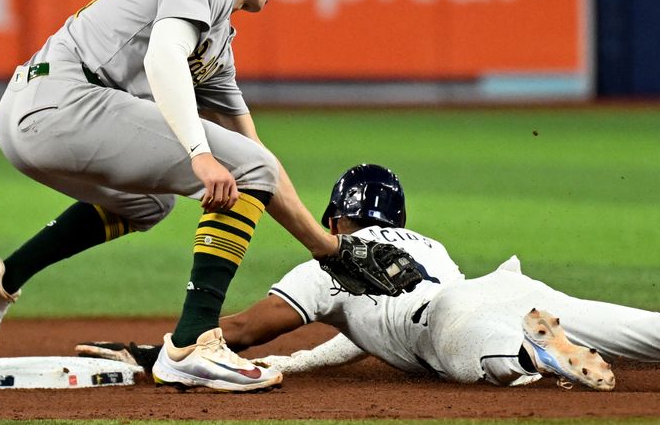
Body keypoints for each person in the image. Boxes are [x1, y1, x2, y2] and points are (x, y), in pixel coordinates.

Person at [0, 0, 339, 393]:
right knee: (235, 168)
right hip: (63, 101)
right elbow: (163, 57)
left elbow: (258, 160)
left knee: (149, 203)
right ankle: (193, 345)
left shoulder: (216, 39)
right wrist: (200, 154)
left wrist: (327, 249)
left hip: (30, 116)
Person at [77, 164, 660, 391]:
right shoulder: (427, 245)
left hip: (448, 321)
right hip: (512, 289)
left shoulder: (328, 260)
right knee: (639, 331)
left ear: (335, 217)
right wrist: (304, 361)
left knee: (485, 357)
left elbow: (244, 330)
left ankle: (530, 353)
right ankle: (540, 341)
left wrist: (155, 350)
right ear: (398, 220)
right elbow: (362, 329)